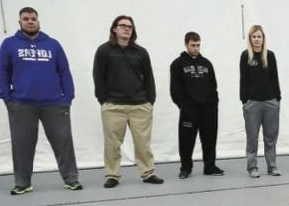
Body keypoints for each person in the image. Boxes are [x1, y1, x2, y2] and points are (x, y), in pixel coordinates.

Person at [0, 7, 81, 195]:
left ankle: (71, 179)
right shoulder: (9, 44)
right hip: (22, 104)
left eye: (33, 18)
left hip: (54, 103)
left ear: (38, 21)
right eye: (26, 18)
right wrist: (7, 98)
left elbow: (64, 72)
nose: (30, 21)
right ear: (19, 22)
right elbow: (3, 73)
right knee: (22, 146)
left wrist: (67, 97)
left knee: (63, 142)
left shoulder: (53, 44)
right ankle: (23, 183)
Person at [93, 15, 163, 188]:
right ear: (114, 29)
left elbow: (149, 78)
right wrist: (103, 100)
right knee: (112, 144)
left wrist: (149, 101)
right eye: (122, 26)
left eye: (130, 26)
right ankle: (112, 175)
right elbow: (98, 77)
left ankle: (148, 173)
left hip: (140, 105)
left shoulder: (140, 52)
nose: (126, 29)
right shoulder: (104, 51)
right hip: (113, 106)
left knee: (143, 144)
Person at [170, 32, 224, 179]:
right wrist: (184, 107)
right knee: (186, 141)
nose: (196, 48)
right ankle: (186, 168)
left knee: (209, 139)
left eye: (198, 45)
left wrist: (214, 106)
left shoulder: (207, 63)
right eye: (193, 45)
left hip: (208, 111)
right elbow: (175, 90)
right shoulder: (177, 64)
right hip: (189, 111)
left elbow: (213, 87)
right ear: (186, 44)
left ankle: (210, 166)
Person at [240, 25, 281, 178]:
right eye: (254, 37)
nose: (257, 39)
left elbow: (274, 78)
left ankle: (272, 166)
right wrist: (244, 100)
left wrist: (277, 98)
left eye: (259, 36)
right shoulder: (246, 56)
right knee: (252, 137)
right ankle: (252, 168)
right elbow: (243, 80)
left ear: (263, 38)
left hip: (271, 102)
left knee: (270, 137)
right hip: (252, 104)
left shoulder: (269, 56)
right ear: (250, 39)